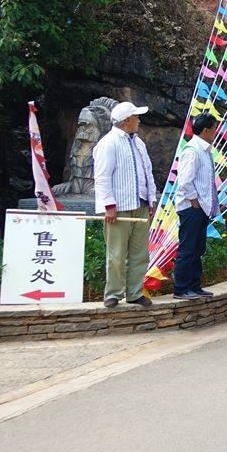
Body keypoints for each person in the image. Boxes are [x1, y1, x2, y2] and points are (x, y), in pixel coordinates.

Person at [92, 101, 157, 308]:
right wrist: (109, 206)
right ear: (127, 120)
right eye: (136, 117)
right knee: (117, 253)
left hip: (140, 203)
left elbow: (148, 172)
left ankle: (135, 292)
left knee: (140, 253)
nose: (139, 120)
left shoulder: (138, 143)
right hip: (119, 206)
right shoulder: (108, 143)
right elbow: (101, 177)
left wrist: (151, 200)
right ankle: (113, 293)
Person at [172, 113, 220, 300]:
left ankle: (194, 285)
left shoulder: (205, 150)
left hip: (202, 207)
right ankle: (181, 288)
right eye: (214, 129)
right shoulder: (192, 150)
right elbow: (184, 180)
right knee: (188, 248)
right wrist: (194, 201)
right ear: (207, 130)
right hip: (192, 208)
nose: (216, 132)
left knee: (198, 248)